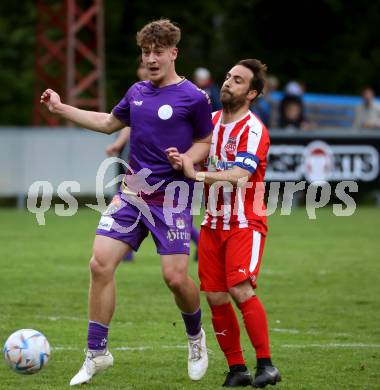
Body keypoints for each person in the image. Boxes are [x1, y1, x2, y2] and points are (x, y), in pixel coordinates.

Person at [40, 19, 213, 386]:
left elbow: (205, 142)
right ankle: (96, 352)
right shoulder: (136, 92)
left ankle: (196, 338)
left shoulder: (194, 97)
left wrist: (187, 158)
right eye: (146, 52)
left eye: (158, 52)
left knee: (175, 278)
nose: (151, 59)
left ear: (173, 53)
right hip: (133, 192)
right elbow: (107, 122)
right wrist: (61, 108)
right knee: (100, 265)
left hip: (172, 197)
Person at [167, 59, 281, 387]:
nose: (229, 83)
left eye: (239, 80)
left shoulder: (254, 129)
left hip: (245, 222)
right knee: (215, 296)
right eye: (229, 77)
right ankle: (237, 369)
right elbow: (193, 157)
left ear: (252, 93)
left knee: (239, 288)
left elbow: (241, 176)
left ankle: (266, 365)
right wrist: (182, 158)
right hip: (212, 224)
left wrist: (196, 172)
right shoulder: (212, 122)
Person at [106, 58, 201, 262]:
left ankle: (200, 241)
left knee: (166, 209)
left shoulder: (184, 95)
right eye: (141, 64)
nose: (145, 68)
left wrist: (188, 157)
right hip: (138, 160)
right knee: (129, 199)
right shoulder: (138, 93)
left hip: (161, 170)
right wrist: (119, 143)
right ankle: (126, 251)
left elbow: (202, 138)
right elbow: (122, 123)